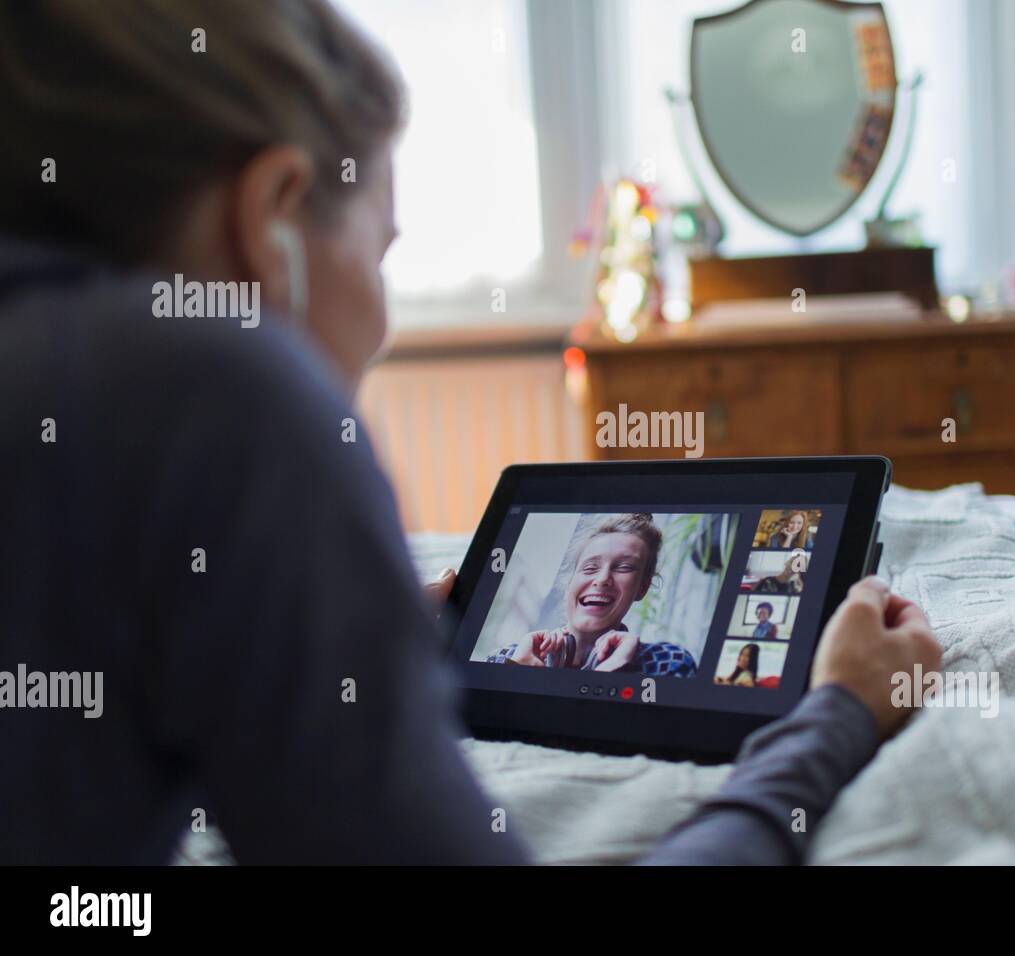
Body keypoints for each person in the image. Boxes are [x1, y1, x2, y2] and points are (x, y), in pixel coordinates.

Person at [0, 0, 942, 865]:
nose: (383, 319)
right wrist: (837, 717)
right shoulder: (213, 388)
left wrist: (318, 639)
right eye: (382, 251)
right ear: (271, 221)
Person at [486, 514, 697, 676]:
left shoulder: (667, 663)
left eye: (624, 567)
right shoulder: (505, 660)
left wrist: (616, 673)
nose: (602, 579)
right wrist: (519, 675)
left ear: (642, 588)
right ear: (569, 584)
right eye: (589, 568)